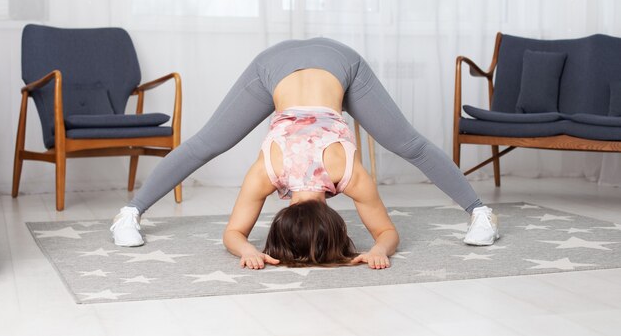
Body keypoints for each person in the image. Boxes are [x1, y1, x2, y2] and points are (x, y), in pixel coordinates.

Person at [110, 38, 499, 268]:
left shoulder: (334, 174)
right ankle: (129, 214)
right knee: (208, 142)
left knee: (407, 143)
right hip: (300, 65)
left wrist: (380, 246)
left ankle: (481, 212)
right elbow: (234, 234)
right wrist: (247, 247)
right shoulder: (301, 172)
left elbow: (385, 233)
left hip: (322, 63)